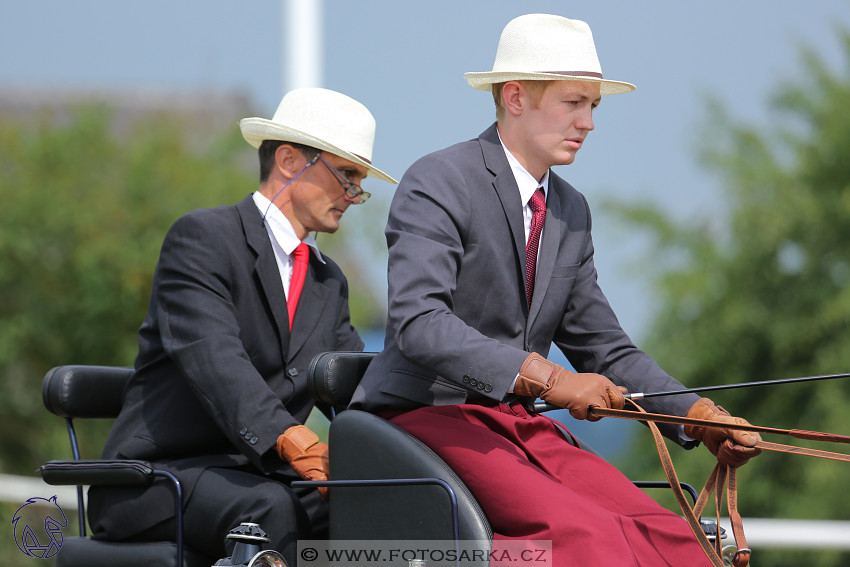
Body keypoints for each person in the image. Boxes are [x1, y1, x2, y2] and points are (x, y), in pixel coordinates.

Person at [349, 14, 760, 566]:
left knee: (677, 541)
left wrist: (695, 415)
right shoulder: (440, 179)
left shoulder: (570, 211)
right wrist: (550, 377)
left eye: (593, 105)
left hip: (520, 427)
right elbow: (420, 322)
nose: (588, 122)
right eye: (574, 103)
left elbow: (607, 349)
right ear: (515, 97)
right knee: (590, 542)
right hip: (429, 418)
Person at [87, 87, 397, 566]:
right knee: (271, 509)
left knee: (376, 508)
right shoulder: (204, 240)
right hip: (154, 478)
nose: (355, 196)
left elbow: (353, 383)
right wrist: (295, 439)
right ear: (291, 161)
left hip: (260, 475)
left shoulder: (326, 280)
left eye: (359, 181)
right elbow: (216, 361)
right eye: (347, 176)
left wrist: (415, 429)